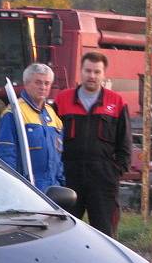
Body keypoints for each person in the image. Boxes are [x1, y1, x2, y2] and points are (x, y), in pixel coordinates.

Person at [55, 52, 132, 237]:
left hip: (103, 181)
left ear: (104, 74)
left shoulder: (117, 102)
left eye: (97, 72)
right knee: (65, 232)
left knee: (104, 234)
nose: (92, 76)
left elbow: (125, 143)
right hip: (69, 178)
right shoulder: (62, 100)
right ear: (80, 72)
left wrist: (114, 171)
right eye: (88, 71)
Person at [0, 63, 64, 193]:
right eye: (38, 82)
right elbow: (6, 155)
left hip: (52, 190)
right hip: (27, 190)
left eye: (47, 83)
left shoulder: (52, 114)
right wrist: (12, 187)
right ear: (26, 84)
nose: (43, 87)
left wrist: (60, 182)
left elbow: (59, 156)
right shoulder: (13, 113)